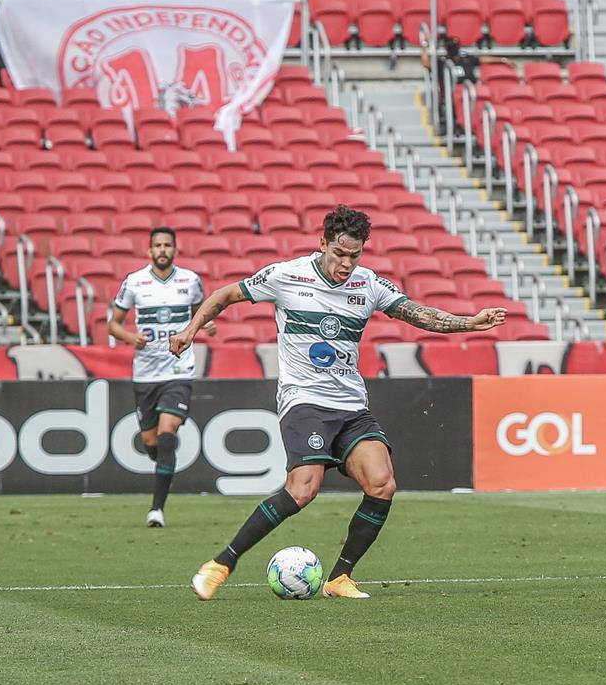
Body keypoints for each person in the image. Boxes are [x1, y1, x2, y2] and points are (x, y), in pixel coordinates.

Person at [173, 205, 507, 600]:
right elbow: (226, 294)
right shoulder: (286, 275)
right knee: (303, 489)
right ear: (323, 244)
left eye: (355, 255)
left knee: (383, 483)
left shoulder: (367, 284)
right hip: (304, 399)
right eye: (340, 254)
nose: (347, 264)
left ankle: (339, 578)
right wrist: (190, 330)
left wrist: (467, 322)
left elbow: (414, 313)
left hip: (350, 404)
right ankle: (221, 563)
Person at [107, 225, 208, 528]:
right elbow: (113, 323)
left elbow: (200, 311)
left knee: (167, 435)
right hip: (146, 373)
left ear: (175, 250)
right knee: (152, 442)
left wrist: (204, 326)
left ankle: (156, 510)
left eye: (167, 245)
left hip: (179, 369)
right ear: (149, 251)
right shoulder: (134, 282)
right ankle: (163, 461)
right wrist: (128, 337)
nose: (162, 250)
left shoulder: (190, 280)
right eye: (157, 246)